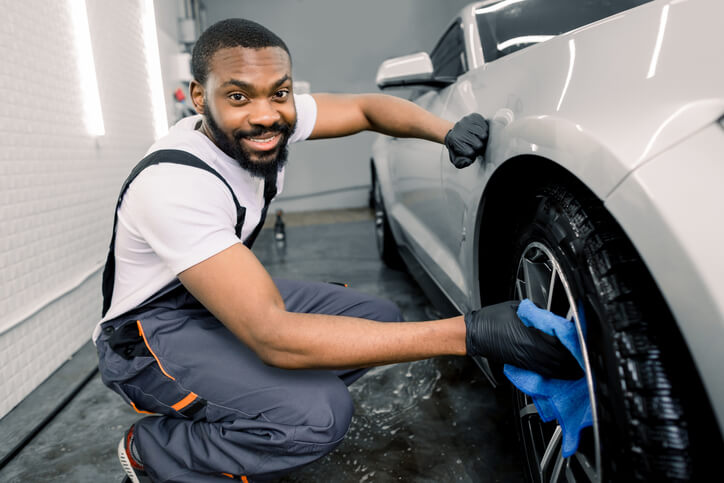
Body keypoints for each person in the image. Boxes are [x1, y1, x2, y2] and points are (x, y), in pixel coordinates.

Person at [95, 18, 581, 483]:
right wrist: (470, 333)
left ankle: (259, 407)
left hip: (205, 301)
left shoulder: (264, 118)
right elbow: (272, 335)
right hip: (146, 334)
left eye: (279, 93)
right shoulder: (174, 185)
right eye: (239, 96)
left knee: (378, 319)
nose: (266, 115)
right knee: (318, 416)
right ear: (201, 98)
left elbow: (369, 110)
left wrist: (446, 132)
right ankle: (156, 449)